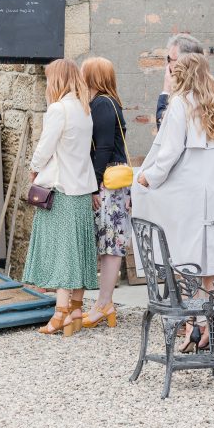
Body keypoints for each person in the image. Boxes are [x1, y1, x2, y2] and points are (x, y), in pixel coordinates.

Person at [134, 53, 214, 352]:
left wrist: (148, 178)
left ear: (181, 76)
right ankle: (211, 323)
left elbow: (169, 152)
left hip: (188, 192)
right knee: (209, 263)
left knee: (186, 261)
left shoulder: (180, 105)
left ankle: (195, 325)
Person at [22, 59, 99, 336]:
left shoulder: (58, 109)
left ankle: (61, 313)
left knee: (63, 253)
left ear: (57, 79)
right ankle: (76, 310)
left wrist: (33, 169)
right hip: (81, 188)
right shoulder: (83, 108)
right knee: (78, 251)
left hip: (61, 189)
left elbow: (45, 146)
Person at [80, 57, 131, 329]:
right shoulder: (113, 102)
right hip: (116, 182)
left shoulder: (101, 104)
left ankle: (103, 304)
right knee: (111, 244)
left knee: (111, 245)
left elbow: (103, 147)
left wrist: (93, 184)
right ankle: (104, 302)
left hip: (108, 183)